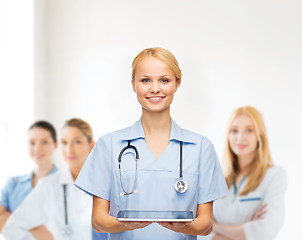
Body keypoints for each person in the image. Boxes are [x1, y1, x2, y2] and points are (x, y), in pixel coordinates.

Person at [74, 47, 228, 240]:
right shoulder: (109, 146)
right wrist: (127, 224)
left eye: (164, 80)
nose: (155, 89)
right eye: (145, 80)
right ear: (133, 84)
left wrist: (177, 227)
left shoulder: (201, 148)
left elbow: (205, 224)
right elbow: (98, 220)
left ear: (177, 84)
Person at [2, 118, 108, 240]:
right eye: (64, 142)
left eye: (77, 142)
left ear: (91, 146)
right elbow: (12, 228)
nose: (69, 150)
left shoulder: (107, 184)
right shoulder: (48, 185)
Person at [199, 106, 287, 240]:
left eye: (249, 130)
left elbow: (265, 231)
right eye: (234, 130)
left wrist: (214, 227)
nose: (240, 137)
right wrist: (245, 231)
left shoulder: (274, 175)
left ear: (260, 135)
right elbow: (197, 230)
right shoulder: (214, 176)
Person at [0, 121, 58, 233]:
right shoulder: (12, 184)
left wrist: (11, 219)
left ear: (55, 144)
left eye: (44, 142)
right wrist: (36, 228)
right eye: (32, 143)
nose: (37, 148)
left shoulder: (66, 186)